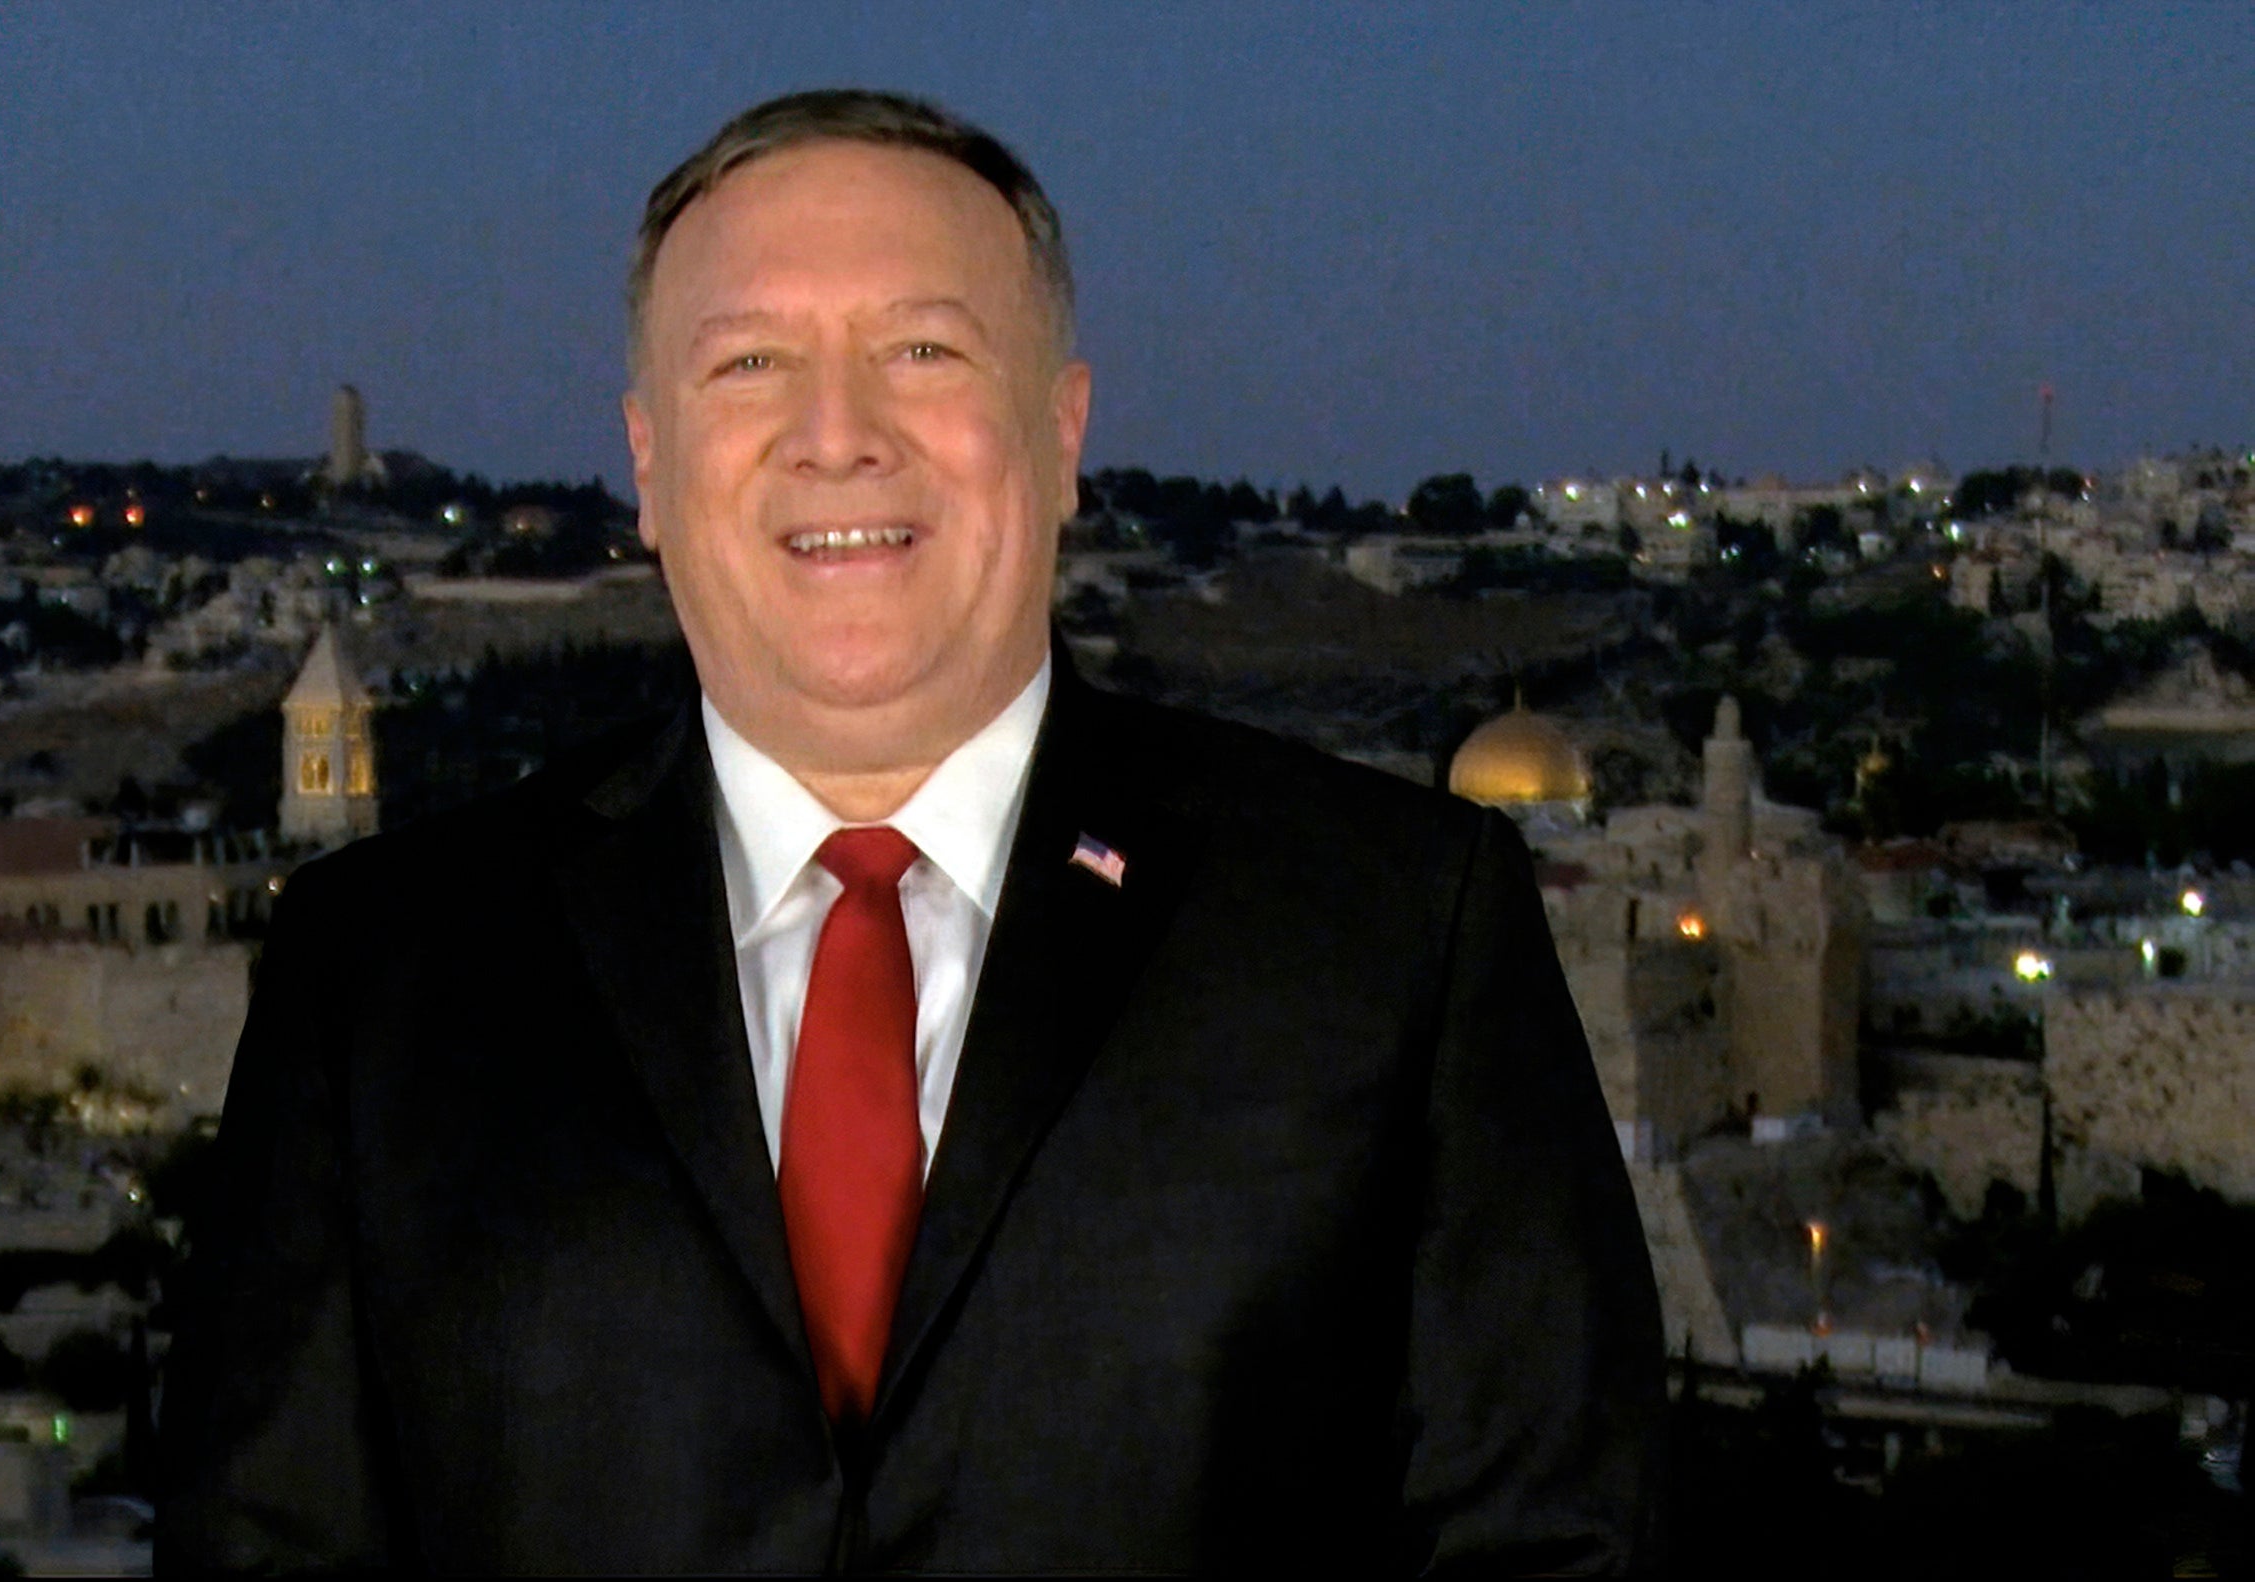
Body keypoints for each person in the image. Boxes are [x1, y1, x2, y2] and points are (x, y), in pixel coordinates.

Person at [158, 88, 1661, 1574]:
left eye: (923, 349)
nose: (838, 435)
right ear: (649, 467)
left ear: (1062, 433)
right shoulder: (381, 978)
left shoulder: (1395, 932)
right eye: (751, 361)